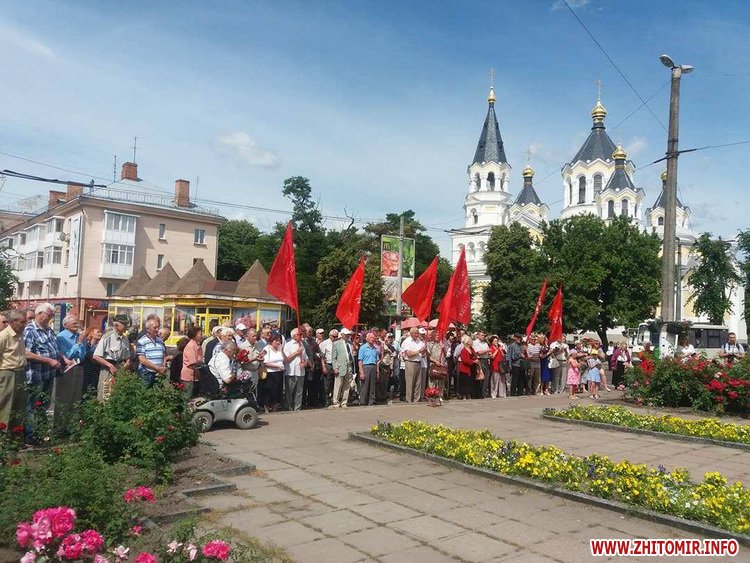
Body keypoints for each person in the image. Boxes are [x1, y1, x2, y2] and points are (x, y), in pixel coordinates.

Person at [24, 303, 63, 443]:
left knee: (43, 405)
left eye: (52, 315)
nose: (51, 318)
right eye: (49, 315)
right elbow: (26, 353)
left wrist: (63, 358)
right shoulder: (30, 330)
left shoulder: (48, 330)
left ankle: (40, 432)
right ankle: (30, 435)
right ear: (39, 314)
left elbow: (54, 348)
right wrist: (48, 360)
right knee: (31, 406)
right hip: (35, 375)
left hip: (48, 375)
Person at [54, 314, 86, 434]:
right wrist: (78, 343)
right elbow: (67, 355)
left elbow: (83, 353)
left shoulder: (79, 335)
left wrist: (81, 342)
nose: (77, 325)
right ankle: (60, 428)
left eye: (77, 323)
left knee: (75, 398)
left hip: (79, 367)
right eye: (74, 323)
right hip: (67, 369)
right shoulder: (61, 337)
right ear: (65, 325)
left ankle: (72, 427)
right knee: (64, 398)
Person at [93, 314, 132, 401]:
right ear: (116, 325)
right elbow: (96, 356)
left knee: (118, 396)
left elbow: (127, 356)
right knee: (105, 395)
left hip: (121, 370)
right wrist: (110, 366)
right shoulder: (107, 337)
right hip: (108, 370)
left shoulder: (125, 339)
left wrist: (127, 363)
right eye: (124, 324)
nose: (126, 327)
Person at [0, 310, 27, 432]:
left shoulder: (20, 334)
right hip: (8, 373)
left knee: (19, 407)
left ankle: (15, 437)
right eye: (22, 322)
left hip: (20, 372)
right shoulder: (3, 336)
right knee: (5, 407)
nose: (25, 325)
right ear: (13, 322)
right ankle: (3, 437)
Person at [136, 318, 167, 387]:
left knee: (158, 392)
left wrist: (163, 366)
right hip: (146, 373)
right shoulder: (142, 341)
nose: (157, 329)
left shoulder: (160, 341)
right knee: (145, 391)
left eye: (158, 327)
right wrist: (157, 368)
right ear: (148, 329)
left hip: (159, 373)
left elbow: (164, 355)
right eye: (155, 328)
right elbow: (142, 359)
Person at [283, 328, 307, 411]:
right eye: (299, 334)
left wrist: (304, 363)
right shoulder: (288, 345)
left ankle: (297, 408)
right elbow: (286, 359)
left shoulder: (302, 344)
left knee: (299, 392)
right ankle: (288, 407)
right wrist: (296, 353)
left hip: (300, 372)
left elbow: (306, 358)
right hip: (291, 372)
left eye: (301, 334)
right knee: (289, 391)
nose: (301, 336)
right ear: (293, 336)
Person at [330, 328, 355, 409]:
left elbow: (350, 354)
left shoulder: (350, 343)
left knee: (347, 385)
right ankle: (336, 402)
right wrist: (335, 367)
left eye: (349, 334)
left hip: (349, 366)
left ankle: (344, 402)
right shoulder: (336, 343)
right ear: (342, 335)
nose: (348, 336)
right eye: (346, 334)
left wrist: (353, 354)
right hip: (340, 367)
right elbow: (334, 357)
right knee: (338, 385)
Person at [400, 327, 426, 403]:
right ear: (411, 333)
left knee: (418, 383)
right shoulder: (407, 341)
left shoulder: (420, 342)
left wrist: (424, 350)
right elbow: (409, 354)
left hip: (419, 362)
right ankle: (409, 400)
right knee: (410, 382)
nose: (417, 335)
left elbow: (423, 354)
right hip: (410, 363)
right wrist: (419, 351)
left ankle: (416, 400)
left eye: (418, 333)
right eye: (415, 333)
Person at [262, 335, 285, 413]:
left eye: (279, 341)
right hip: (270, 374)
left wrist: (281, 350)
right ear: (271, 341)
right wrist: (277, 366)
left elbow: (283, 359)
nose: (278, 342)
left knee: (277, 391)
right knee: (269, 392)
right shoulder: (267, 349)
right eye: (276, 341)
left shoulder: (279, 349)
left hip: (279, 373)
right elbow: (265, 363)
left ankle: (274, 409)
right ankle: (267, 409)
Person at [179, 326, 203, 398]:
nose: (202, 336)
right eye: (200, 334)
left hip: (196, 376)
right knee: (188, 396)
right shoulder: (191, 346)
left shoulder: (197, 345)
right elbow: (193, 363)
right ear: (194, 335)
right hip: (189, 376)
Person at [357, 331, 380, 406]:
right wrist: (361, 372)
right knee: (365, 385)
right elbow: (360, 361)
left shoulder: (375, 349)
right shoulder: (363, 348)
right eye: (370, 337)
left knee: (372, 385)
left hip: (373, 367)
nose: (372, 339)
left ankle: (371, 401)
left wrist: (377, 371)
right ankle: (363, 401)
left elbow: (377, 361)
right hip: (366, 367)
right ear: (367, 338)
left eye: (373, 338)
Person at [81, 326, 103, 396]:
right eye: (98, 332)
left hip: (97, 370)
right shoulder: (86, 344)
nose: (100, 334)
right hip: (87, 370)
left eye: (100, 332)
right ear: (91, 334)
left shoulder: (101, 345)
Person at [426, 329, 446, 402]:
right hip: (433, 364)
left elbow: (446, 355)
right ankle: (432, 395)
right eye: (436, 335)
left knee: (441, 380)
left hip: (441, 364)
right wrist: (435, 361)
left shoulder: (442, 344)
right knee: (433, 380)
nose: (438, 336)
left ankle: (440, 395)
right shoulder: (429, 344)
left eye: (439, 335)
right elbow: (428, 356)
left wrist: (443, 348)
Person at [319, 329, 337, 407]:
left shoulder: (338, 343)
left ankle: (334, 399)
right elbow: (322, 357)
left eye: (336, 336)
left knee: (334, 383)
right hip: (328, 364)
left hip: (336, 365)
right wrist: (323, 367)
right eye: (334, 336)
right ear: (330, 336)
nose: (335, 338)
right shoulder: (324, 343)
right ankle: (326, 399)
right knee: (327, 384)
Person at [457, 335, 477, 400]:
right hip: (465, 369)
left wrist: (476, 360)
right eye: (471, 341)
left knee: (471, 382)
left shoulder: (472, 349)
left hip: (472, 368)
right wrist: (473, 361)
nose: (472, 342)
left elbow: (475, 356)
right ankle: (464, 395)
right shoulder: (464, 350)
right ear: (467, 342)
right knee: (464, 382)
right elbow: (465, 360)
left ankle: (469, 394)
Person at [473, 332, 491, 398]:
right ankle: (478, 393)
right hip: (480, 360)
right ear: (478, 336)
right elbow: (479, 352)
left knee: (486, 377)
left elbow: (489, 352)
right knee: (480, 377)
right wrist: (487, 350)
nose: (483, 336)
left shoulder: (485, 343)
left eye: (484, 335)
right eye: (482, 335)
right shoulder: (475, 342)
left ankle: (483, 393)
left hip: (486, 360)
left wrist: (489, 353)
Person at [379, 333, 395, 404]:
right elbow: (381, 352)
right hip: (382, 365)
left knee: (386, 382)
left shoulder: (390, 346)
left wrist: (391, 368)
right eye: (388, 337)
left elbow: (392, 355)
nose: (389, 339)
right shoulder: (381, 344)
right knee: (381, 381)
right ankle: (380, 397)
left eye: (390, 337)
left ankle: (384, 396)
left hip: (388, 365)